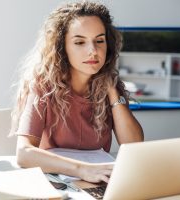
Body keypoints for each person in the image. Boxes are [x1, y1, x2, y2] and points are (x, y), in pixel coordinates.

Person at [11, 1, 144, 183]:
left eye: (99, 41)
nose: (93, 51)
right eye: (80, 42)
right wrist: (83, 170)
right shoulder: (43, 86)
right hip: (55, 184)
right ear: (62, 47)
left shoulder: (112, 87)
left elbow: (134, 145)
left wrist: (112, 91)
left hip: (97, 182)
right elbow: (23, 154)